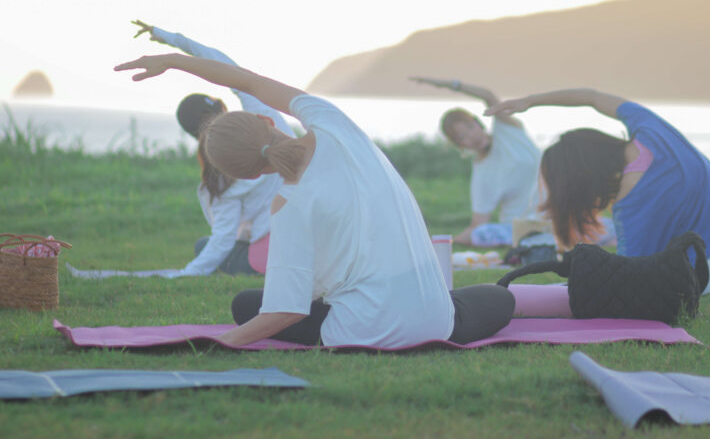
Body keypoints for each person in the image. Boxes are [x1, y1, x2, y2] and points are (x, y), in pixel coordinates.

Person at [115, 53, 515, 347]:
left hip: (361, 334)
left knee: (247, 305)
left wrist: (220, 342)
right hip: (436, 322)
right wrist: (173, 59)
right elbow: (248, 80)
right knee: (498, 297)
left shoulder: (284, 207)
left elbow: (285, 312)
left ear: (249, 175)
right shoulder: (331, 123)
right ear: (267, 122)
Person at [486, 88, 710, 297]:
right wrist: (530, 101)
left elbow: (627, 281)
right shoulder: (651, 129)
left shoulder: (629, 204)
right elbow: (591, 97)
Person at [132, 20, 295, 276]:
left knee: (203, 245)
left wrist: (187, 273)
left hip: (273, 260)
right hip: (307, 242)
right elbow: (225, 65)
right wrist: (170, 39)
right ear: (223, 108)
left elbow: (222, 241)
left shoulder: (221, 176)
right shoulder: (264, 117)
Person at [410, 76, 543, 247]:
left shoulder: (509, 131)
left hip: (556, 214)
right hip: (519, 229)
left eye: (470, 128)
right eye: (462, 137)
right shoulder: (481, 174)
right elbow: (478, 225)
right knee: (483, 234)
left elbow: (488, 95)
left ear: (479, 124)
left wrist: (448, 84)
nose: (472, 137)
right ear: (459, 145)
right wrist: (441, 244)